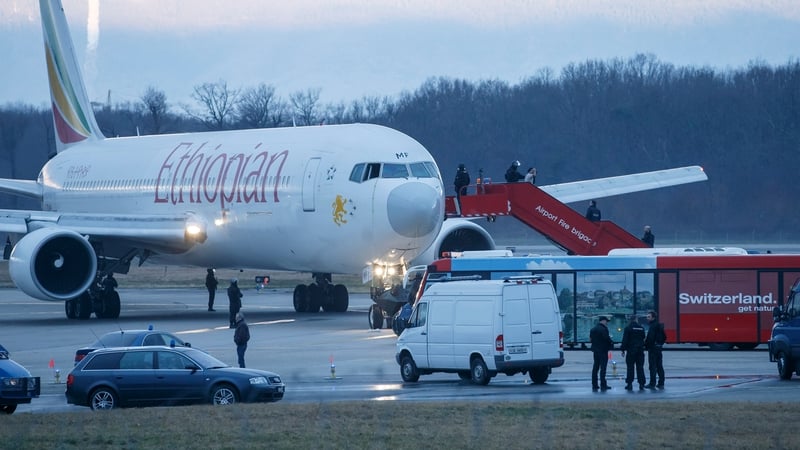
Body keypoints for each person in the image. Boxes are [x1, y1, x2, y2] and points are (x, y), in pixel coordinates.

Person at [620, 315, 647, 391]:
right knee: (640, 367)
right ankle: (641, 384)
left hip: (631, 351)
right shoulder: (641, 328)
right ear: (636, 320)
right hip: (640, 351)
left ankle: (629, 384)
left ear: (630, 320)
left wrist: (623, 350)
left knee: (630, 367)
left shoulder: (628, 328)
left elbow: (625, 340)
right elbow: (643, 338)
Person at [589, 316, 614, 391]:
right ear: (602, 321)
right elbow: (607, 338)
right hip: (603, 351)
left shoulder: (593, 329)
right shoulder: (604, 329)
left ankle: (594, 384)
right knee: (603, 368)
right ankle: (603, 384)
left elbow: (590, 339)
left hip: (595, 351)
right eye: (606, 321)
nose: (607, 323)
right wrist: (611, 343)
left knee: (595, 368)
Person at [644, 310, 667, 389]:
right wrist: (660, 344)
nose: (647, 318)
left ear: (653, 317)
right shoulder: (659, 326)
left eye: (649, 317)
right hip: (659, 348)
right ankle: (661, 382)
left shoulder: (652, 326)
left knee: (652, 366)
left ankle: (652, 383)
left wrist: (646, 345)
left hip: (653, 349)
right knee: (659, 366)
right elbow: (664, 337)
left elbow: (650, 338)